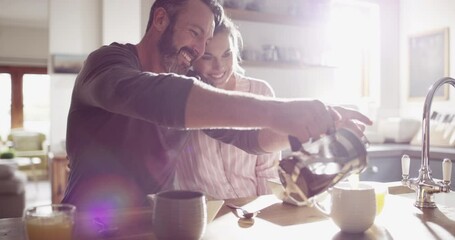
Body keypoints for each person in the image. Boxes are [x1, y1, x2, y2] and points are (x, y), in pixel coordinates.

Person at [63, 0, 372, 211]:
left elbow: (251, 138)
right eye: (195, 33)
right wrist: (279, 110)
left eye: (206, 39)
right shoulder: (108, 63)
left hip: (150, 222)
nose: (199, 50)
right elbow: (155, 96)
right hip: (85, 222)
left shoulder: (189, 83)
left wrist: (308, 126)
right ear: (160, 19)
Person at [175, 17, 280, 199]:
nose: (219, 66)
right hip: (201, 215)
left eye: (227, 54)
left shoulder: (260, 92)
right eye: (207, 57)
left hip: (252, 212)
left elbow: (268, 169)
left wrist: (266, 215)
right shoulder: (178, 96)